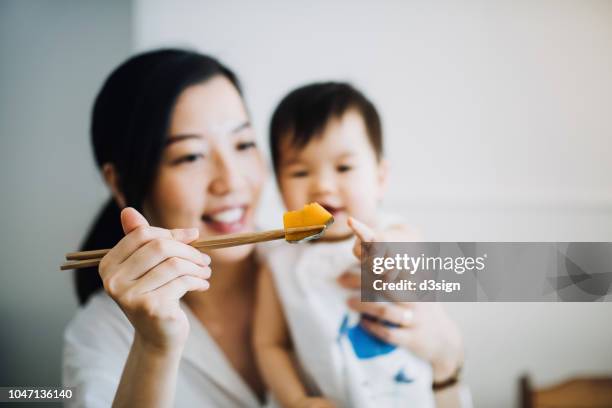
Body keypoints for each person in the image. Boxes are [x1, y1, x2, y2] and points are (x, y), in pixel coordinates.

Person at [63, 48, 467, 408]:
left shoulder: (309, 256)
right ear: (119, 182)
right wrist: (155, 347)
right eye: (190, 156)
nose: (232, 181)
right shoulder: (101, 335)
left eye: (243, 145)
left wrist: (447, 360)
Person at [254, 82, 436, 407]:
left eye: (344, 168)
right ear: (279, 187)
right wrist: (295, 399)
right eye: (299, 172)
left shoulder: (394, 231)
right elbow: (269, 344)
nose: (322, 185)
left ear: (380, 179)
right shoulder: (279, 262)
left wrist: (383, 254)